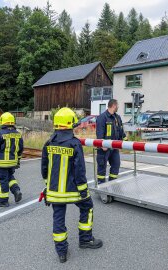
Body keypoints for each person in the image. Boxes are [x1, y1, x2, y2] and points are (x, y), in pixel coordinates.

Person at [41, 107, 103, 263]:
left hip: (55, 191)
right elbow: (79, 170)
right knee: (87, 206)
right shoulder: (74, 144)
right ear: (70, 125)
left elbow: (44, 169)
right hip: (73, 190)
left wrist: (47, 189)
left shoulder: (48, 143)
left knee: (58, 218)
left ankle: (61, 253)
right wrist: (83, 191)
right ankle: (85, 240)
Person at [0, 112, 23, 207]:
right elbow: (20, 149)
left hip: (1, 163)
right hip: (12, 162)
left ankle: (3, 201)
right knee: (10, 177)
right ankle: (16, 190)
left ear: (2, 122)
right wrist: (18, 161)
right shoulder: (18, 134)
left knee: (1, 180)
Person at [95, 99, 126, 184]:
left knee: (116, 165)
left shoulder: (117, 117)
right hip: (104, 148)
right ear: (114, 106)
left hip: (114, 148)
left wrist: (125, 142)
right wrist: (102, 145)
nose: (118, 107)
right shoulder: (102, 117)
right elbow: (99, 133)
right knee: (102, 168)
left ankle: (112, 184)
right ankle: (101, 184)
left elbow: (121, 131)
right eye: (117, 105)